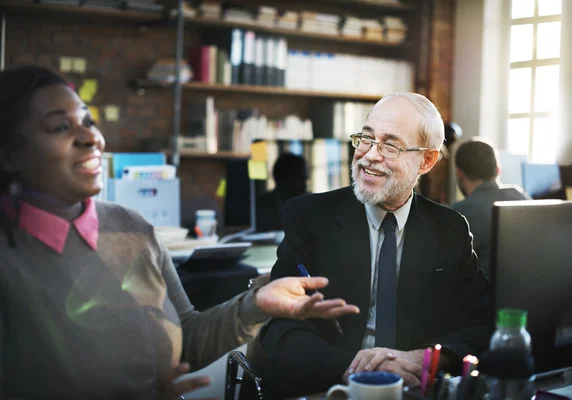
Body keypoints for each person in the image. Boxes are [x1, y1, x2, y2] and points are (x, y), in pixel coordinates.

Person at [0, 66, 360, 399]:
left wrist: (254, 306)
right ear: (9, 154)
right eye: (61, 127)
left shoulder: (133, 227)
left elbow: (184, 336)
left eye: (89, 121)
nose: (90, 138)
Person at [258, 93, 492, 398]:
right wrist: (359, 369)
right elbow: (281, 331)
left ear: (427, 160)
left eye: (390, 145)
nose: (369, 155)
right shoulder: (310, 218)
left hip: (414, 389)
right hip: (331, 387)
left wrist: (427, 359)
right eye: (366, 139)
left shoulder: (450, 229)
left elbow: (482, 324)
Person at [452, 138, 530, 275]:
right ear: (498, 170)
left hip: (482, 294)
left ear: (459, 173)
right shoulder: (520, 196)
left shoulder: (458, 213)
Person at [255, 152, 308, 232]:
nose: (304, 186)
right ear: (282, 179)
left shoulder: (307, 207)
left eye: (304, 180)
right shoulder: (261, 207)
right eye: (299, 180)